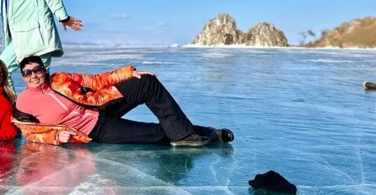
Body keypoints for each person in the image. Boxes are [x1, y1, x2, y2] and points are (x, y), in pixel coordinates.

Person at [13, 55, 234, 147]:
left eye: (36, 70)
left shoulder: (60, 78)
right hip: (96, 129)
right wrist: (55, 136)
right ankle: (211, 132)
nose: (33, 75)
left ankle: (184, 135)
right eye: (27, 73)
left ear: (44, 69)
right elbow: (29, 133)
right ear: (23, 77)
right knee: (155, 133)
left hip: (104, 104)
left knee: (146, 82)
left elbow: (97, 80)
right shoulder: (24, 102)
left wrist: (129, 73)